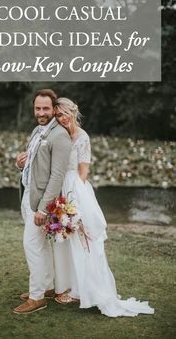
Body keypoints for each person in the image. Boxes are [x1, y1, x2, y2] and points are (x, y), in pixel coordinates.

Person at [53, 97, 154, 317]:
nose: (61, 119)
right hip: (60, 186)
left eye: (63, 114)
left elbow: (83, 170)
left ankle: (90, 290)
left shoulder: (82, 137)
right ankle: (74, 286)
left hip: (75, 190)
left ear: (72, 112)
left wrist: (74, 200)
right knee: (69, 240)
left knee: (86, 239)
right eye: (57, 115)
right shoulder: (59, 134)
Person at [13, 89, 72, 315]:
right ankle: (46, 287)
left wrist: (42, 208)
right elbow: (33, 166)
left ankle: (36, 298)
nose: (41, 112)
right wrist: (19, 165)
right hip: (27, 194)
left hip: (40, 202)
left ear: (54, 109)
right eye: (37, 108)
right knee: (40, 246)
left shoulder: (60, 136)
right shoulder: (37, 131)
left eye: (45, 108)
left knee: (32, 246)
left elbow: (57, 176)